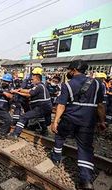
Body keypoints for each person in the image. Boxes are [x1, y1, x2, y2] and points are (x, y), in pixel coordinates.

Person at [50, 60, 106, 190]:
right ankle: (86, 180)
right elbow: (101, 105)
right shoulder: (98, 84)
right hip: (88, 121)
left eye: (69, 70)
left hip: (70, 119)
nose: (68, 72)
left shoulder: (68, 85)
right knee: (85, 148)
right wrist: (102, 121)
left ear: (74, 70)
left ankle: (56, 158)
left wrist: (55, 121)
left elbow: (61, 105)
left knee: (59, 135)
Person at [9, 67, 52, 138]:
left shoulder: (39, 86)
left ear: (36, 78)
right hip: (45, 107)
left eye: (33, 79)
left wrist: (16, 92)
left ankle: (15, 134)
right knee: (41, 117)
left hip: (41, 107)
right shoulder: (41, 85)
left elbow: (28, 94)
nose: (32, 80)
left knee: (23, 117)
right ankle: (44, 131)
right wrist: (19, 90)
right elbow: (28, 91)